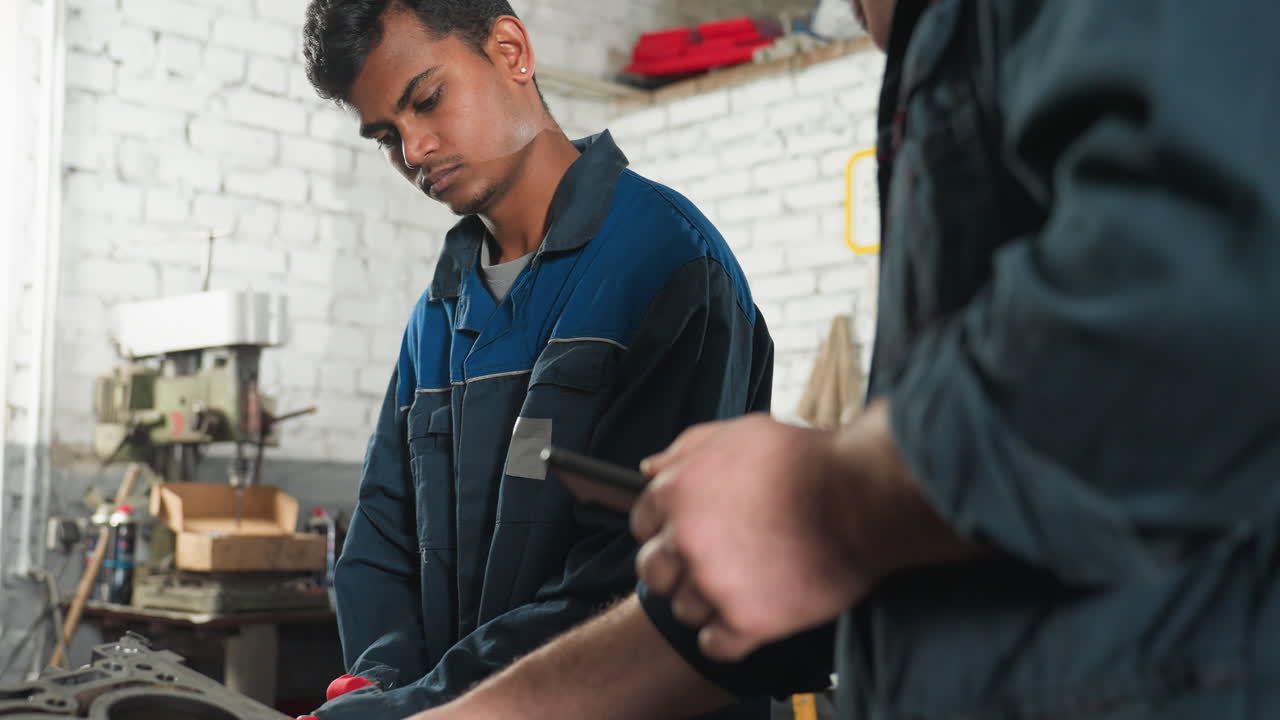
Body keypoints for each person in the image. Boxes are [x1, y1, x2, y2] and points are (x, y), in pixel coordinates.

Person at [404, 0, 1280, 718]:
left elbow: (1203, 302)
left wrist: (824, 497)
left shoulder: (672, 257)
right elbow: (917, 541)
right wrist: (491, 712)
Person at [297, 1, 777, 718]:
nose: (416, 151)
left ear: (511, 50)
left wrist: (424, 707)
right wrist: (380, 684)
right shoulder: (439, 312)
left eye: (427, 100)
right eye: (386, 137)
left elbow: (631, 584)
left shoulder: (667, 264)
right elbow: (380, 539)